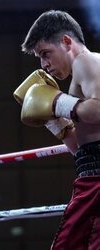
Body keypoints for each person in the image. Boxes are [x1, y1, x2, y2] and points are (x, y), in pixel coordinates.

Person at [13, 10, 100, 250]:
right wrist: (54, 121)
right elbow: (83, 151)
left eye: (45, 54)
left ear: (66, 42)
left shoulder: (87, 61)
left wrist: (56, 103)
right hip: (90, 178)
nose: (44, 64)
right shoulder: (77, 82)